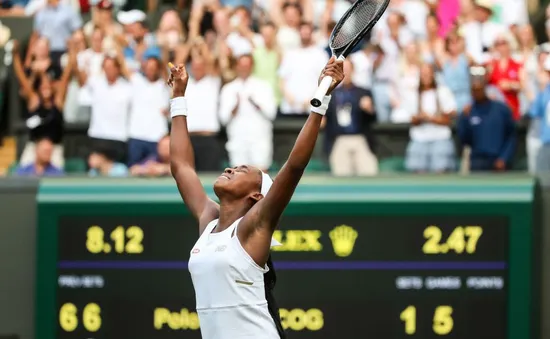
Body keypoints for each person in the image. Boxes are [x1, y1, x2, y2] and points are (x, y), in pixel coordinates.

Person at [168, 57, 344, 339]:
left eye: (241, 170)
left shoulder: (255, 225)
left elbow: (294, 165)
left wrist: (321, 98)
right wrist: (178, 97)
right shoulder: (208, 223)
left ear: (257, 195)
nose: (230, 168)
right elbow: (181, 167)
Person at [458, 68, 516, 171]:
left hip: (498, 160)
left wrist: (503, 158)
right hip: (477, 161)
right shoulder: (469, 112)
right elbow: (464, 139)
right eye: (474, 90)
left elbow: (511, 136)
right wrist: (464, 118)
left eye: (479, 89)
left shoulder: (501, 109)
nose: (477, 92)